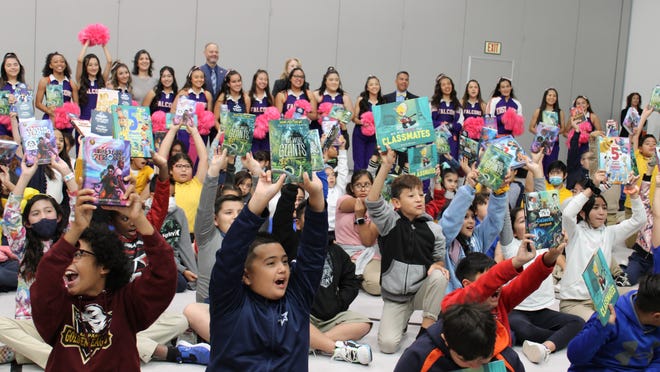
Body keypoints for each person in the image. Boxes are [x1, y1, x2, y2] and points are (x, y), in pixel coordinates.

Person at [30, 189, 176, 371]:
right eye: (68, 253)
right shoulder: (59, 307)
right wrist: (76, 229)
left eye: (78, 254)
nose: (68, 260)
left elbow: (165, 273)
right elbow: (46, 276)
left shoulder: (127, 302)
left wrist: (139, 219)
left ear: (104, 266)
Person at [208, 168, 327, 370]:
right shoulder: (228, 303)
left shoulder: (297, 299)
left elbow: (313, 253)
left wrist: (316, 197)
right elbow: (231, 254)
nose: (282, 269)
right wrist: (256, 202)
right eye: (270, 263)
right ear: (245, 275)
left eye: (284, 261)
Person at [365, 146, 449, 353]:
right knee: (387, 345)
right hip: (395, 297)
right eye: (411, 196)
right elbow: (373, 202)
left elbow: (439, 259)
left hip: (420, 291)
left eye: (421, 194)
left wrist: (437, 265)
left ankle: (426, 330)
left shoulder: (434, 229)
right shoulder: (389, 222)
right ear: (396, 202)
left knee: (440, 276)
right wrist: (385, 166)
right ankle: (401, 321)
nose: (419, 199)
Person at [500, 206, 585, 364]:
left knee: (578, 322)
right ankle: (558, 336)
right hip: (516, 310)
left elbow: (545, 207)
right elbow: (503, 216)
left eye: (531, 220)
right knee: (524, 329)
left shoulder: (545, 244)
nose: (529, 223)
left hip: (541, 311)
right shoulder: (510, 246)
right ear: (513, 231)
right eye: (522, 221)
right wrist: (503, 190)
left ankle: (545, 348)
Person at [559, 178, 646, 321]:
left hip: (602, 299)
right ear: (582, 213)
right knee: (601, 326)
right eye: (595, 208)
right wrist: (591, 189)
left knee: (637, 300)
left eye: (604, 208)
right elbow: (568, 213)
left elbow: (639, 220)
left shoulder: (609, 232)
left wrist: (634, 194)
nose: (601, 212)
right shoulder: (574, 231)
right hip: (575, 302)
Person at [567, 274, 660, 371]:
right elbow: (575, 356)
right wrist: (600, 328)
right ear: (657, 316)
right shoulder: (610, 317)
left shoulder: (655, 319)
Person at [335, 170, 380, 295]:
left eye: (367, 185)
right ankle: (354, 277)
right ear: (352, 188)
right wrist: (376, 196)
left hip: (368, 255)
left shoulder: (377, 211)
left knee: (377, 286)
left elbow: (367, 241)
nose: (363, 189)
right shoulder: (344, 200)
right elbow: (357, 204)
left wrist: (360, 218)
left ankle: (356, 280)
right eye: (358, 185)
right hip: (345, 255)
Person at [528, 88, 567, 172]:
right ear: (545, 96)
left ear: (556, 98)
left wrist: (554, 133)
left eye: (554, 96)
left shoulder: (560, 112)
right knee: (537, 167)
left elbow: (563, 129)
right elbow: (531, 127)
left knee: (550, 167)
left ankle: (548, 184)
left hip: (553, 144)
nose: (552, 97)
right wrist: (541, 134)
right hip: (539, 143)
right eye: (549, 95)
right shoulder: (538, 111)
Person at [352, 75, 385, 170]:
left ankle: (370, 184)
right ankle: (357, 182)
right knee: (359, 161)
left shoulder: (383, 101)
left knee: (371, 161)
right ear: (367, 87)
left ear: (379, 86)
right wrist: (362, 122)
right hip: (360, 135)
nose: (374, 86)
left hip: (375, 137)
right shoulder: (361, 99)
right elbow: (354, 118)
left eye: (376, 84)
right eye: (371, 85)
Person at [313, 66, 353, 143]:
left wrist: (342, 120)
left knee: (336, 153)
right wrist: (323, 117)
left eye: (336, 80)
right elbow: (311, 114)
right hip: (319, 131)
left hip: (336, 132)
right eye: (331, 80)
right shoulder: (317, 94)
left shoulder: (344, 96)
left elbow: (351, 114)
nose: (334, 82)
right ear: (325, 81)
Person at [35, 52, 78, 120]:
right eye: (55, 62)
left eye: (62, 61)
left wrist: (70, 115)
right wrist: (50, 112)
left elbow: (76, 106)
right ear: (50, 65)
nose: (59, 64)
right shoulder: (45, 81)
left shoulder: (71, 83)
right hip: (50, 119)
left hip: (66, 122)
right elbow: (38, 103)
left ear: (65, 64)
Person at [75, 41, 112, 121]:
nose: (94, 67)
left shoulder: (102, 80)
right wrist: (87, 43)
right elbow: (79, 60)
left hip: (98, 122)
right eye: (90, 65)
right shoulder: (80, 80)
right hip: (83, 122)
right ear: (85, 67)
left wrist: (103, 45)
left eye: (96, 64)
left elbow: (109, 62)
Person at [431, 74, 462, 161]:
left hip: (452, 141)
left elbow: (460, 124)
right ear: (439, 87)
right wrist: (441, 124)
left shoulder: (458, 105)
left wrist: (449, 125)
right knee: (435, 168)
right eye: (443, 84)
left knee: (450, 169)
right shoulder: (432, 104)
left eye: (449, 84)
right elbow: (428, 122)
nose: (447, 86)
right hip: (436, 140)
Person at [248, 69, 274, 153]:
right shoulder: (248, 95)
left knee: (265, 159)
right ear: (255, 80)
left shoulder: (270, 97)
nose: (263, 81)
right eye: (261, 79)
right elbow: (246, 115)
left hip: (266, 135)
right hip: (252, 135)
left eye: (266, 79)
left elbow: (274, 116)